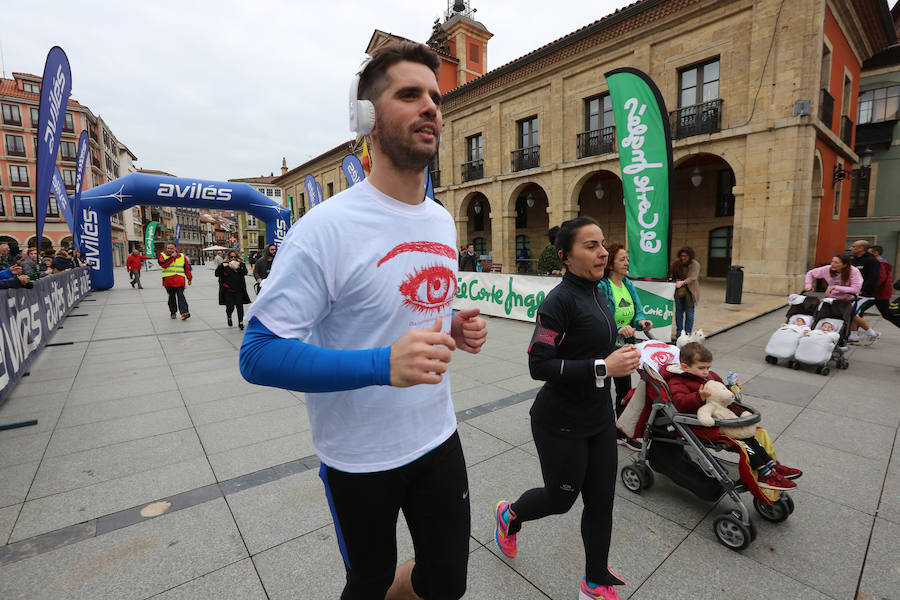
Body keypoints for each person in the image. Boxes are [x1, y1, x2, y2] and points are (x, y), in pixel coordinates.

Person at [239, 41, 487, 600]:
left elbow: (410, 310)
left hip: (436, 436)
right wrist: (382, 364)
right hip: (358, 457)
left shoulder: (443, 222)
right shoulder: (324, 229)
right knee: (369, 583)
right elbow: (256, 354)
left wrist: (452, 326)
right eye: (409, 94)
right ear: (368, 120)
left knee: (447, 581)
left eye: (434, 96)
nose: (430, 107)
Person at [493, 217, 641, 600]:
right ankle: (510, 515)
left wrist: (621, 348)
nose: (603, 251)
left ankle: (594, 582)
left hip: (599, 417)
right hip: (559, 422)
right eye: (591, 245)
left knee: (602, 502)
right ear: (565, 256)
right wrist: (603, 367)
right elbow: (538, 365)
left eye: (603, 243)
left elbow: (591, 345)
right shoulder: (557, 302)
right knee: (560, 500)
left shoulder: (600, 292)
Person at [662, 342, 801, 490]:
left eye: (708, 367)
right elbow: (680, 403)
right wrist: (698, 397)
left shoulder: (710, 376)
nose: (706, 372)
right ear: (685, 367)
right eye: (701, 368)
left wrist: (731, 390)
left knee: (751, 438)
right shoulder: (677, 381)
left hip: (723, 417)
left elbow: (721, 394)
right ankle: (764, 473)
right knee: (742, 443)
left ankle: (772, 465)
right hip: (703, 423)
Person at [597, 242, 653, 449]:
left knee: (623, 389)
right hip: (606, 346)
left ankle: (621, 431)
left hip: (625, 347)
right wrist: (618, 327)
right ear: (611, 264)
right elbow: (601, 314)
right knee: (602, 389)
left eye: (627, 259)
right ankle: (603, 428)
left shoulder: (627, 284)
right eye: (622, 259)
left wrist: (641, 321)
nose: (627, 262)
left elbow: (638, 308)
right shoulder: (602, 286)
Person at [846, 240, 881, 344]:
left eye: (854, 246)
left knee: (852, 312)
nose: (851, 248)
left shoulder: (871, 261)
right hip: (853, 293)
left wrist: (863, 289)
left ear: (861, 248)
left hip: (866, 295)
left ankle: (872, 334)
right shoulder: (852, 259)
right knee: (851, 312)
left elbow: (874, 278)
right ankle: (853, 336)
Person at [215, 250, 251, 329]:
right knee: (230, 307)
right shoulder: (224, 265)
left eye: (235, 257)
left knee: (240, 307)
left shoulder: (241, 264)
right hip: (228, 291)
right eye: (231, 257)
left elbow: (245, 272)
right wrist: (221, 266)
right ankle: (229, 317)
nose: (233, 258)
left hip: (239, 290)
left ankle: (240, 322)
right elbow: (216, 274)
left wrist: (237, 268)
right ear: (228, 257)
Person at [669, 246, 700, 335]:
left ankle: (688, 332)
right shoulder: (676, 263)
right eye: (682, 256)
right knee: (679, 312)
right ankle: (679, 331)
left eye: (685, 256)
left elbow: (692, 277)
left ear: (690, 256)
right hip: (679, 292)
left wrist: (682, 282)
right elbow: (671, 272)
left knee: (689, 312)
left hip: (691, 292)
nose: (683, 258)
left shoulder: (695, 264)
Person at [159, 243, 192, 320]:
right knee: (171, 298)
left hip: (180, 281)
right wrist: (172, 257)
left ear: (175, 249)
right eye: (168, 248)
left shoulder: (182, 256)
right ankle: (173, 312)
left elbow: (187, 268)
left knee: (181, 297)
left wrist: (189, 278)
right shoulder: (162, 255)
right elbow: (163, 265)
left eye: (171, 248)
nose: (169, 250)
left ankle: (184, 313)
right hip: (168, 281)